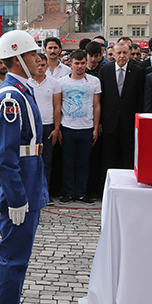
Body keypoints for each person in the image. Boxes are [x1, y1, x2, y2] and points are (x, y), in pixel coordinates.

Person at [0, 30, 48, 304]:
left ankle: (13, 303)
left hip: (29, 177)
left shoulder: (24, 91)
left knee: (22, 248)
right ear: (17, 58)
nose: (40, 59)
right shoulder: (11, 97)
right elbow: (2, 154)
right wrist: (16, 197)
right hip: (19, 183)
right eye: (33, 54)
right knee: (13, 250)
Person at [58, 49, 100, 203]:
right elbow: (58, 105)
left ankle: (81, 192)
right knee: (68, 162)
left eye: (83, 63)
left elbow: (96, 105)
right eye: (77, 63)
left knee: (83, 162)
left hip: (86, 128)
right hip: (67, 127)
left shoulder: (94, 81)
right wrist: (58, 128)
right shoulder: (62, 82)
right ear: (71, 64)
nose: (80, 66)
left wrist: (95, 127)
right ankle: (68, 192)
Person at [98, 42, 143, 171]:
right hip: (109, 123)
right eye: (119, 53)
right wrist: (100, 122)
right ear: (113, 54)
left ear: (129, 53)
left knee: (128, 158)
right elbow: (101, 98)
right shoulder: (105, 70)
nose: (122, 56)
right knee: (109, 158)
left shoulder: (138, 71)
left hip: (129, 123)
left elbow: (140, 98)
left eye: (125, 52)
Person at [28, 52, 61, 203]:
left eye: (43, 65)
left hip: (48, 126)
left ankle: (44, 193)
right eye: (38, 65)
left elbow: (57, 107)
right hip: (31, 127)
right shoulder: (27, 82)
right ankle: (31, 192)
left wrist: (56, 128)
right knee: (30, 161)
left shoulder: (54, 83)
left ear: (47, 66)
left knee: (46, 161)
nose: (40, 68)